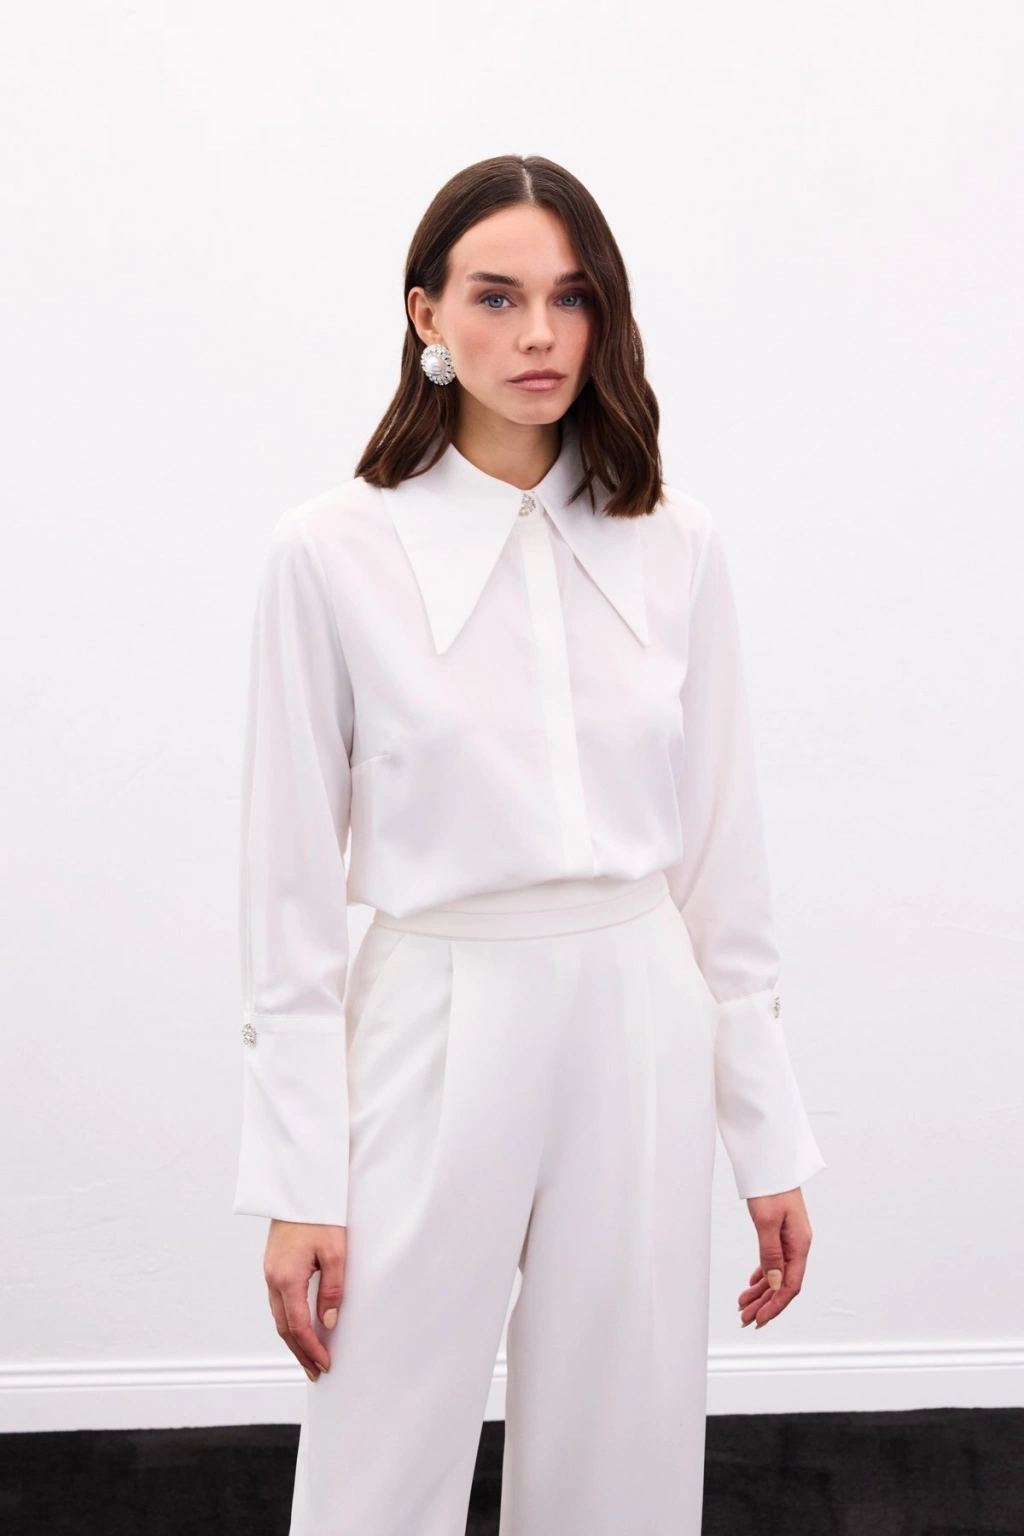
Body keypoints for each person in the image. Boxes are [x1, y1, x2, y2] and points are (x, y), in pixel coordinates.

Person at [232, 152, 826, 1536]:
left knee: (626, 1446)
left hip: (639, 1007)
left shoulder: (677, 544)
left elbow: (720, 865)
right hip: (431, 1011)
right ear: (426, 314)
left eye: (573, 298)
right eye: (496, 297)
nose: (540, 334)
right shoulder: (329, 553)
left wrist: (769, 1135)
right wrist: (297, 1182)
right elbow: (286, 900)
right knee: (380, 1446)